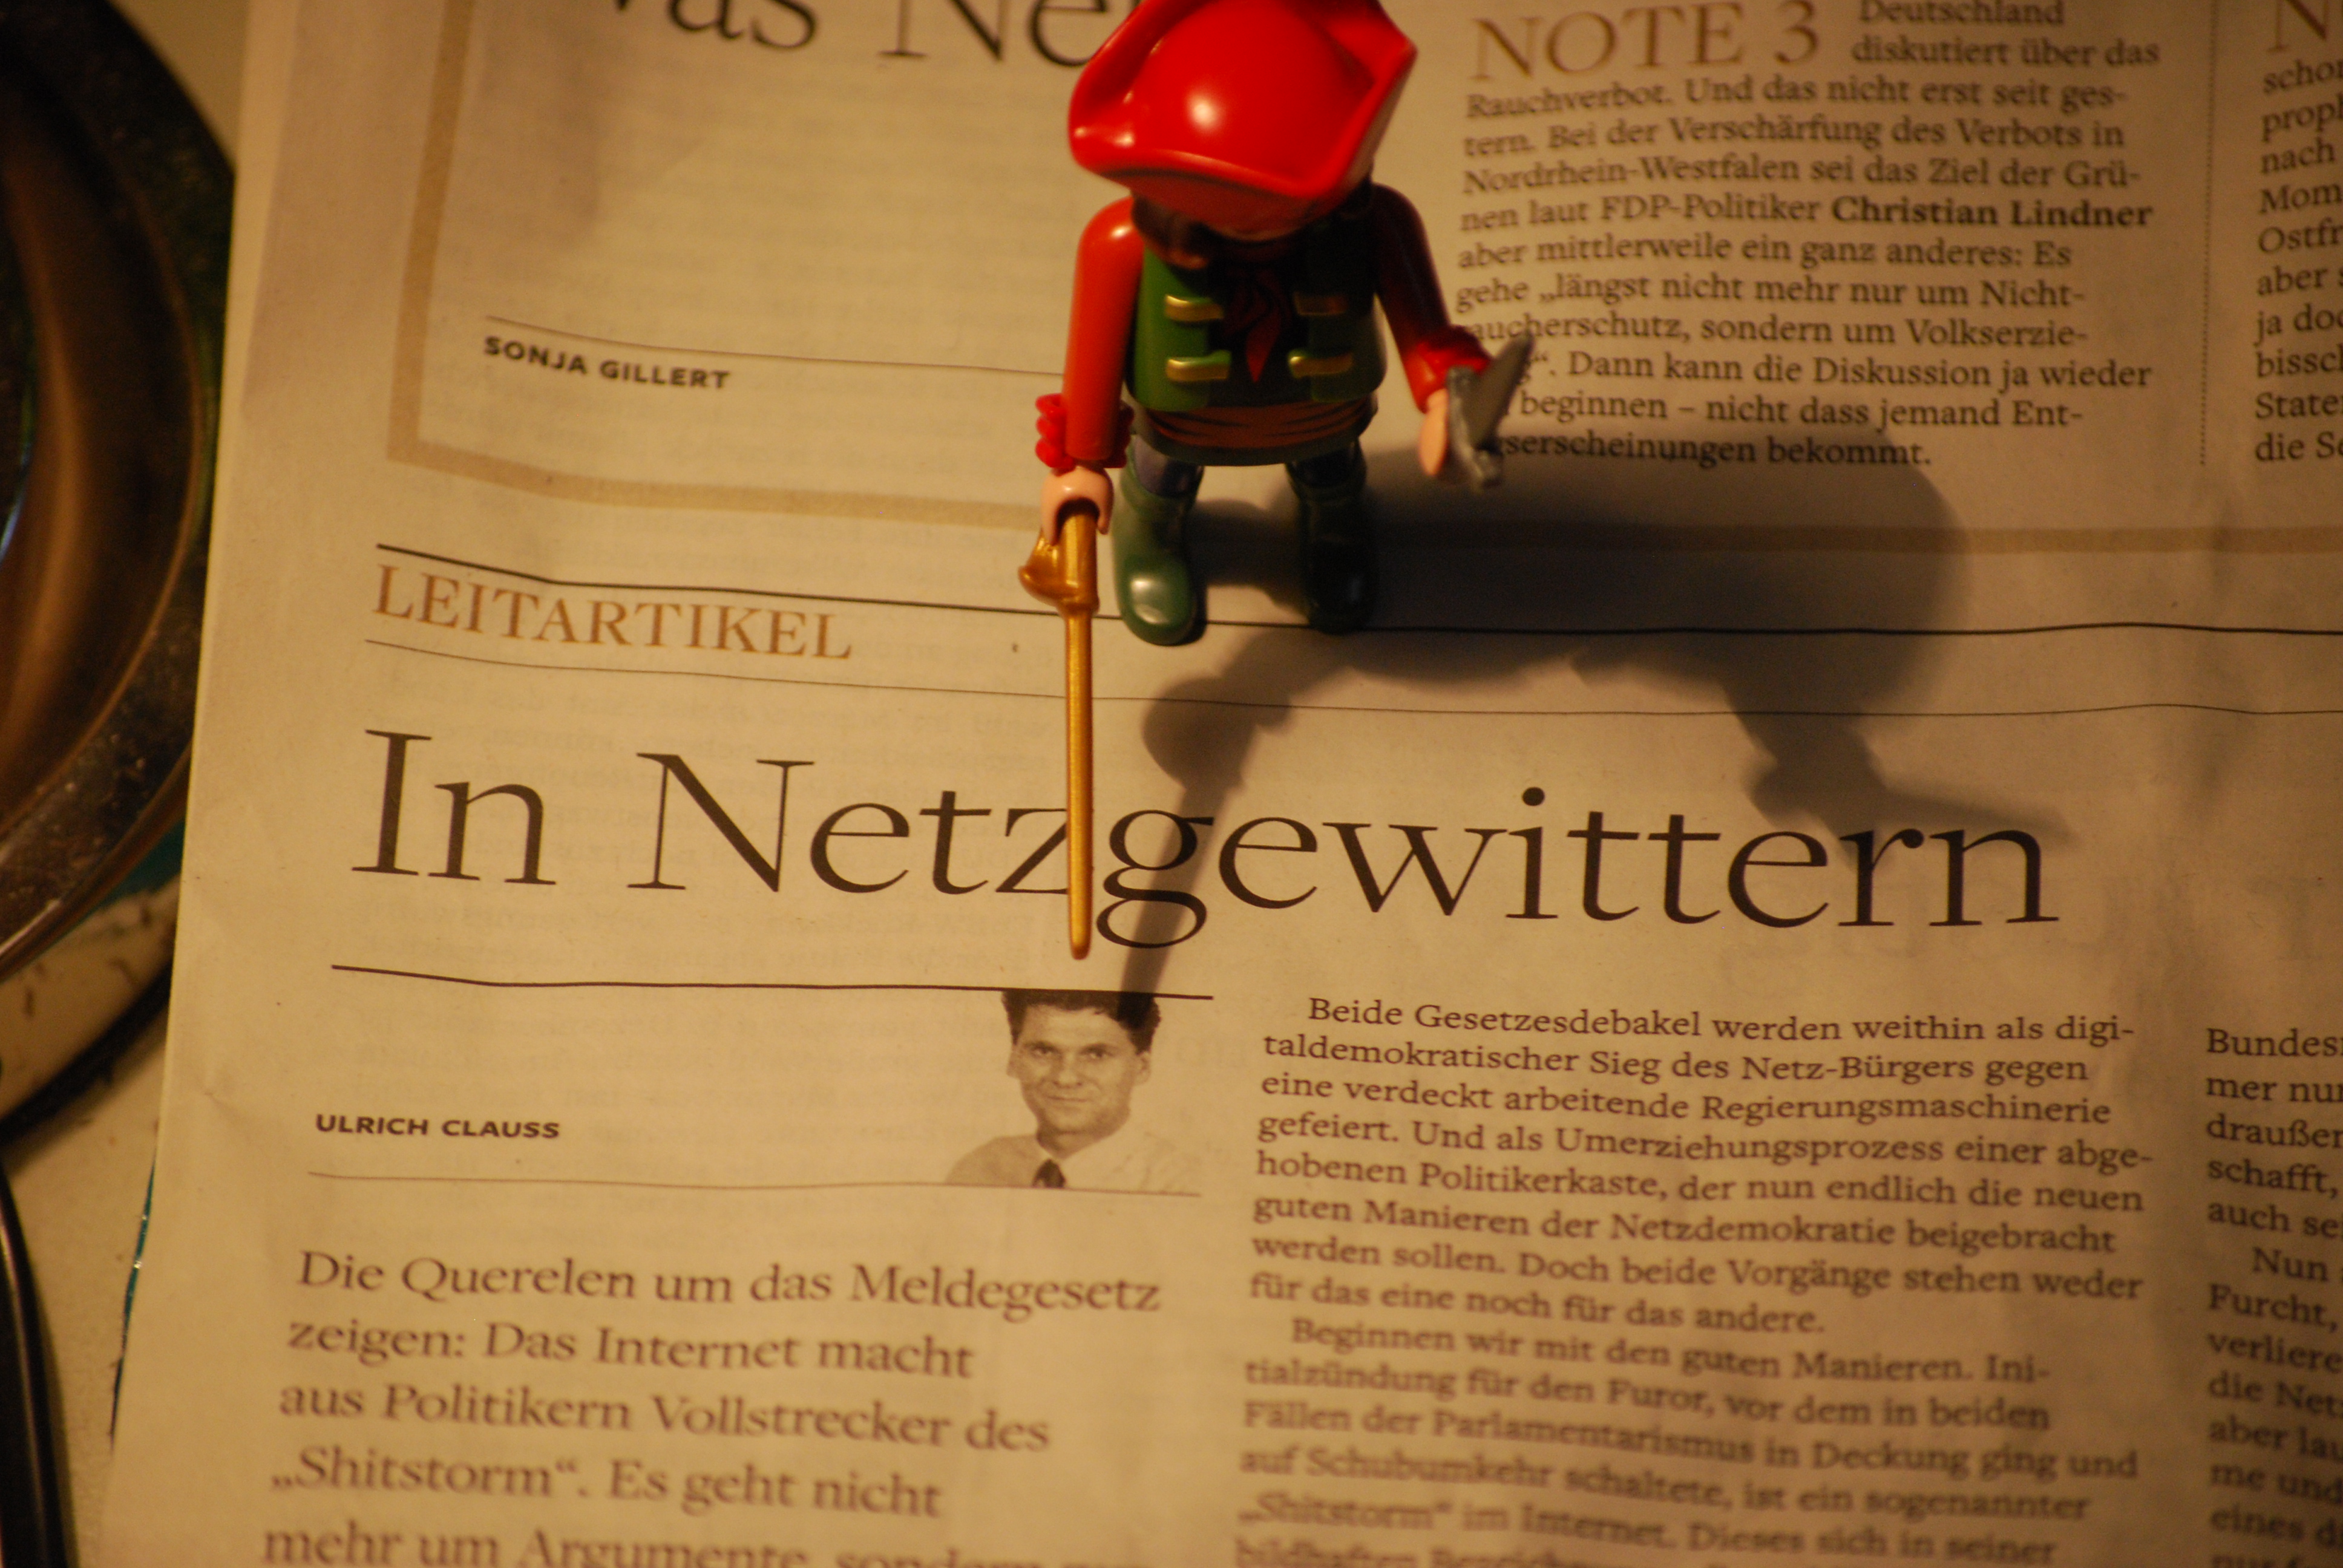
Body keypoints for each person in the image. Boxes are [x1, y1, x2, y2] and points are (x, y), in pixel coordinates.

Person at [1032, 0, 1497, 643]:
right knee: (1160, 483)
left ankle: (1334, 534)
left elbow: (1427, 332)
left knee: (1332, 480)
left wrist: (1447, 398)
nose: (1261, 224)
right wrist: (1079, 465)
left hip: (1322, 414)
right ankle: (1152, 539)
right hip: (1180, 424)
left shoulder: (1374, 225)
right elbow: (1093, 357)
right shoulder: (1121, 245)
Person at [946, 989, 1195, 1192]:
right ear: (1014, 1061)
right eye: (1044, 1051)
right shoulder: (981, 1170)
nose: (1065, 1078)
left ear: (1141, 1068)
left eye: (1096, 1055)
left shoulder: (1175, 1182)